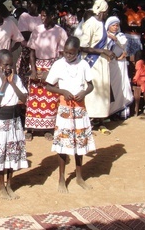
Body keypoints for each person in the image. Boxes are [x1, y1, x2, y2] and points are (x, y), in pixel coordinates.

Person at [45, 36, 95, 194]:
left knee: (79, 144)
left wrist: (84, 92)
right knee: (63, 145)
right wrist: (62, 91)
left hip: (80, 109)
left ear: (78, 51)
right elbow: (48, 86)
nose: (68, 55)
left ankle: (79, 176)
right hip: (65, 110)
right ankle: (61, 178)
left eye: (71, 53)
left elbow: (91, 85)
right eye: (66, 52)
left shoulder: (84, 65)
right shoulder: (58, 65)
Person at [0, 49, 28, 200]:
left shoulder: (16, 78)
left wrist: (12, 83)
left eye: (11, 64)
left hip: (15, 120)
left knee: (12, 153)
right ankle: (2, 186)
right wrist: (3, 84)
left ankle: (10, 184)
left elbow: (24, 98)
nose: (8, 68)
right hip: (1, 119)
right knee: (1, 153)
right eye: (5, 65)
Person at [25, 6, 67, 141]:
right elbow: (31, 51)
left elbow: (62, 55)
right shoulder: (37, 30)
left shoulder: (60, 31)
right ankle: (31, 128)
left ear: (52, 16)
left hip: (52, 65)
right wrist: (33, 69)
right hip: (37, 65)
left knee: (50, 98)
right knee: (34, 98)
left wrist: (50, 72)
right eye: (41, 16)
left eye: (45, 16)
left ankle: (48, 129)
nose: (42, 18)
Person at [77, 0, 115, 134]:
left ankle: (99, 120)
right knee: (92, 92)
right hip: (92, 63)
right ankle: (88, 122)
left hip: (102, 63)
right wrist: (103, 51)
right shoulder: (90, 24)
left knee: (101, 91)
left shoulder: (101, 23)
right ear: (103, 11)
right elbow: (82, 47)